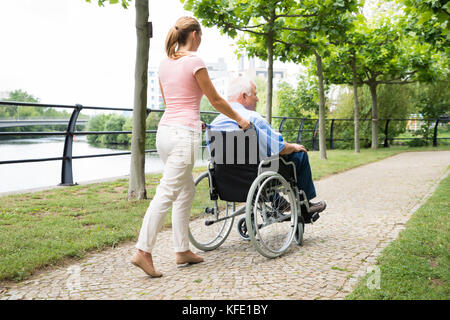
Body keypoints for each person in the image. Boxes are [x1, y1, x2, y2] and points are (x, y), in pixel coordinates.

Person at [131, 17, 251, 278]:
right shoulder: (195, 61)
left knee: (185, 190)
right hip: (184, 135)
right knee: (167, 192)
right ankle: (143, 250)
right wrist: (240, 119)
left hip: (164, 133)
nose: (202, 39)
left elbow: (169, 101)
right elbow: (216, 99)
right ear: (195, 35)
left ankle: (182, 249)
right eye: (202, 35)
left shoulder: (164, 64)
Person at [209, 76, 326, 218]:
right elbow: (280, 148)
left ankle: (278, 202)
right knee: (299, 155)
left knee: (257, 163)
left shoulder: (215, 123)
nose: (257, 99)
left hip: (227, 180)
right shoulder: (252, 118)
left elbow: (215, 156)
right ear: (244, 96)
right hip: (256, 177)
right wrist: (293, 146)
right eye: (255, 94)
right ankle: (305, 205)